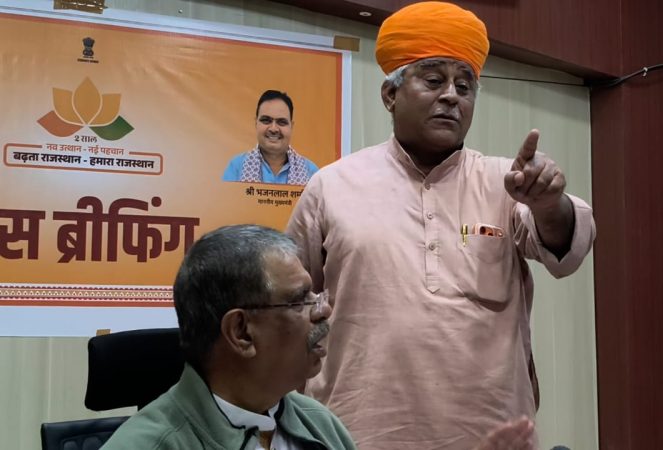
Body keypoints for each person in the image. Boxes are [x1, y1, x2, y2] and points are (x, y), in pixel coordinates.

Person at [286, 2, 596, 449]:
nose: (452, 95)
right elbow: (288, 305)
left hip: (493, 437)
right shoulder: (331, 186)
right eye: (433, 80)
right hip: (358, 433)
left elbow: (567, 249)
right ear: (390, 95)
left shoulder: (507, 182)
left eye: (464, 86)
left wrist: (548, 203)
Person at [102, 225, 354, 449]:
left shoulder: (319, 424)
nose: (323, 310)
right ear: (241, 332)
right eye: (299, 300)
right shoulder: (145, 444)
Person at [223, 90, 318, 184]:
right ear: (256, 123)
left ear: (291, 126)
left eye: (281, 122)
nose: (273, 129)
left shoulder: (311, 172)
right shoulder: (237, 168)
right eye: (266, 120)